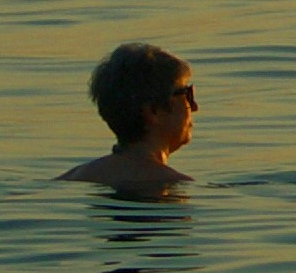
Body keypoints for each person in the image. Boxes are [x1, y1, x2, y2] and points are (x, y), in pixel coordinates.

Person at [60, 41, 198, 195]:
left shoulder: (73, 178)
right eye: (187, 95)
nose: (195, 107)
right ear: (153, 111)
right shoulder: (173, 184)